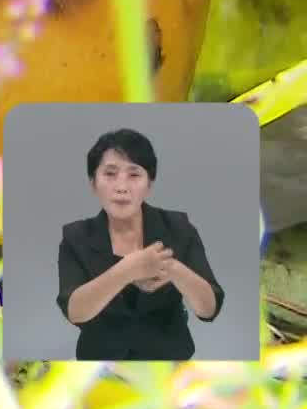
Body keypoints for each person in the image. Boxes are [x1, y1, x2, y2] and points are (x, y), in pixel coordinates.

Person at [56, 128, 225, 360]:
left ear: (149, 184)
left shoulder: (178, 227)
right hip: (101, 365)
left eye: (134, 175)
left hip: (169, 362)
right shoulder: (75, 236)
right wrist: (127, 270)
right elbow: (74, 311)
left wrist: (171, 268)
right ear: (93, 183)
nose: (122, 187)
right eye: (110, 174)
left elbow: (209, 308)